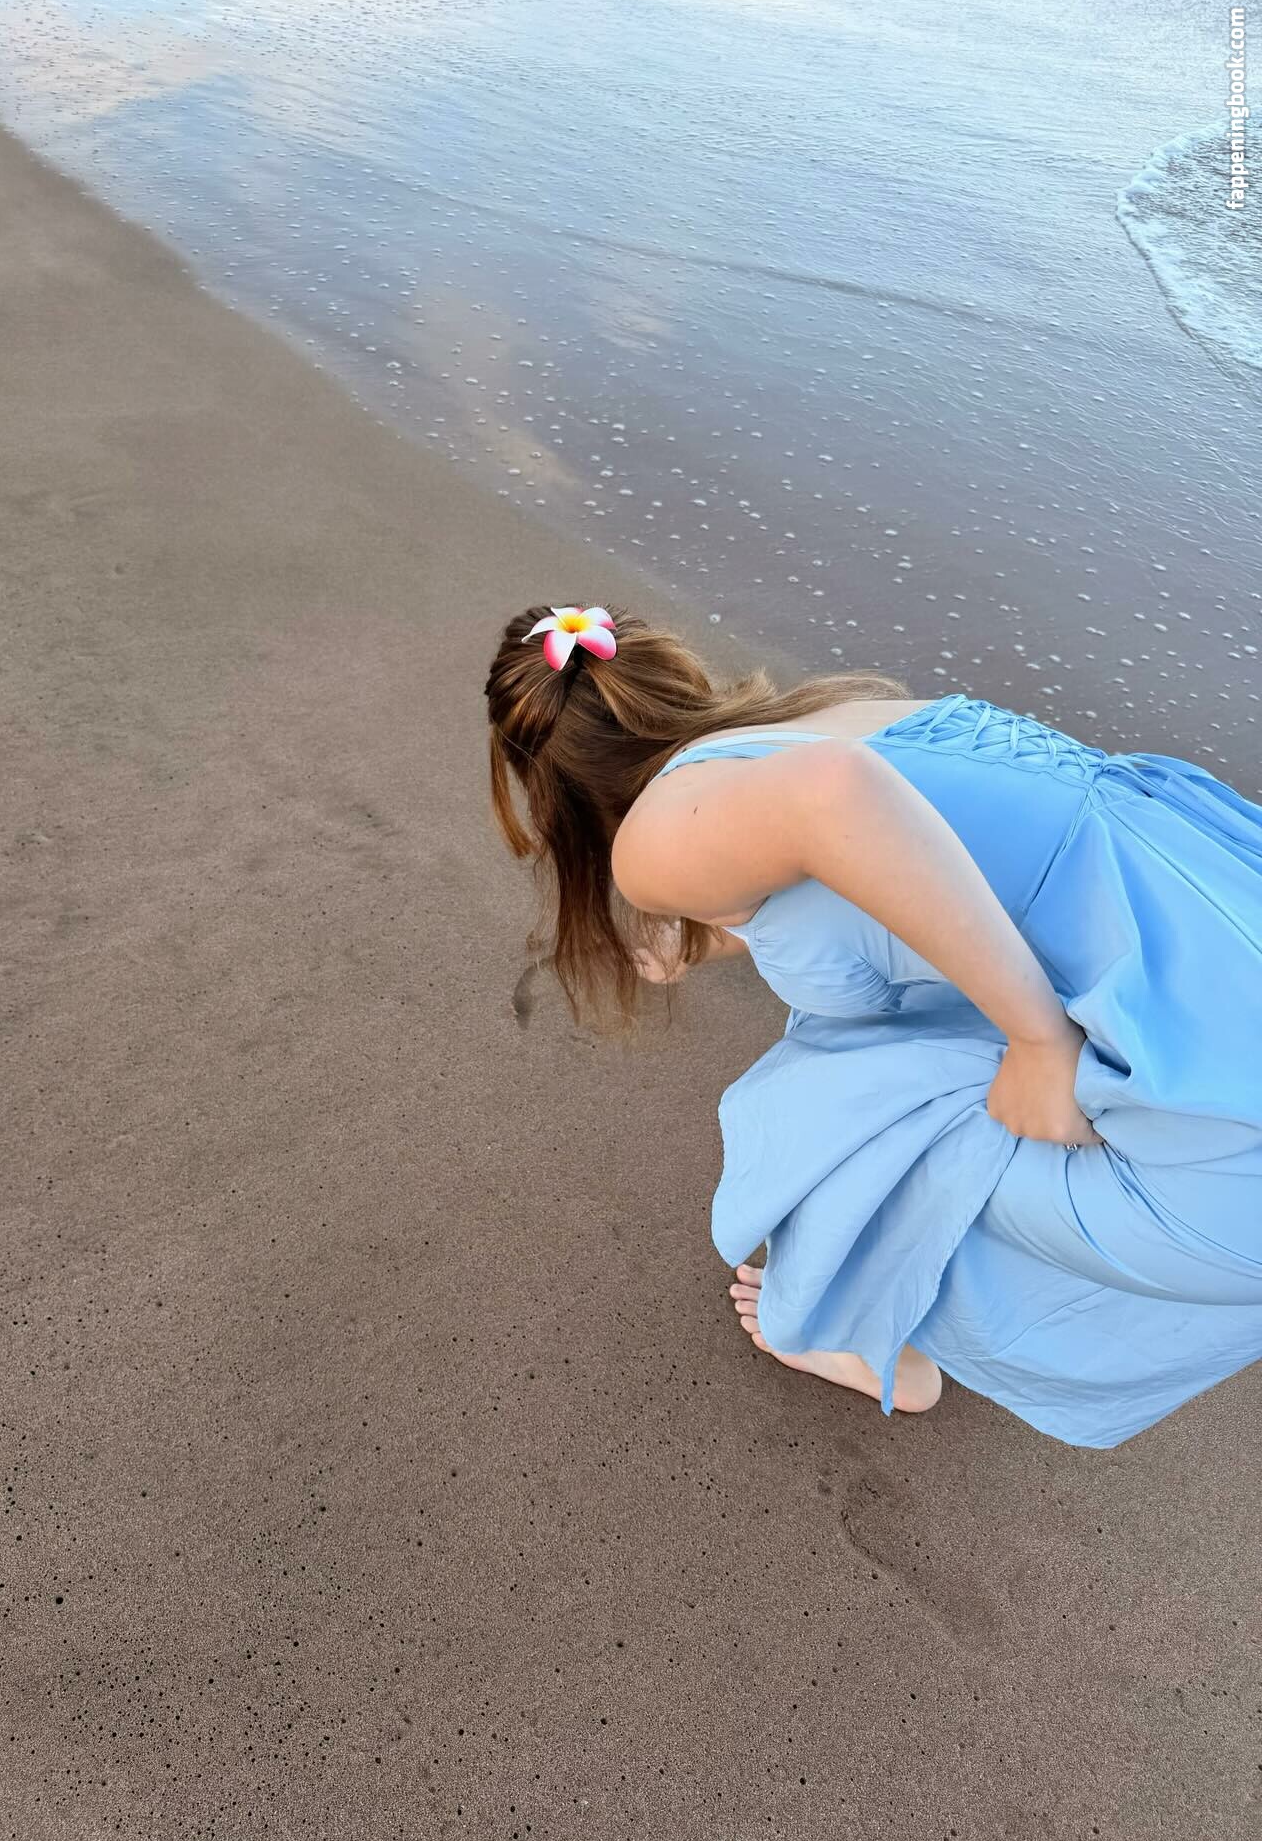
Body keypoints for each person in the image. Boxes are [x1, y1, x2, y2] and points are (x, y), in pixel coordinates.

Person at [484, 603, 1262, 1447]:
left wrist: (1039, 1040)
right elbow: (903, 878)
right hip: (1216, 955)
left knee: (829, 1107)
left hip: (1220, 1149)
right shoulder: (838, 711)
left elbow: (832, 794)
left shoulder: (657, 841)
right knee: (898, 1058)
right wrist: (705, 934)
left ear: (550, 788)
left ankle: (862, 1331)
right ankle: (898, 1319)